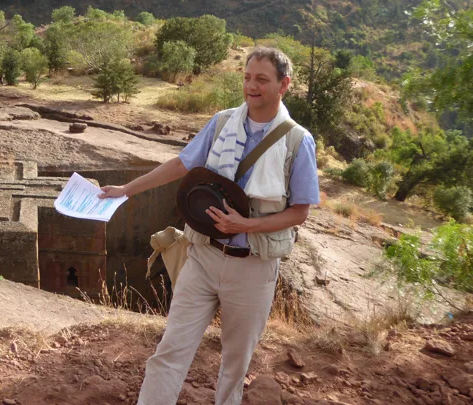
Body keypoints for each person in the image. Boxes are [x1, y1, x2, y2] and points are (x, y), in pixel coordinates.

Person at [99, 47, 320, 405]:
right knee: (170, 350)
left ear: (284, 85)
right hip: (202, 255)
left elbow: (300, 212)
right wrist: (125, 190)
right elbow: (181, 165)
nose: (251, 85)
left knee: (235, 365)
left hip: (253, 266)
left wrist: (245, 223)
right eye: (247, 77)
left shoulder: (297, 140)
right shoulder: (222, 123)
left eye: (262, 79)